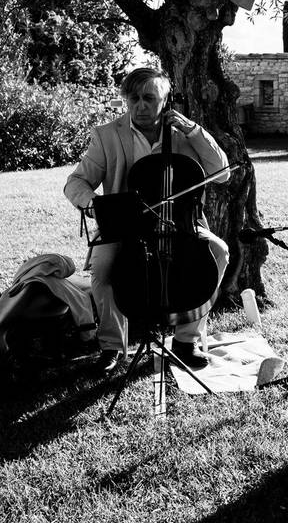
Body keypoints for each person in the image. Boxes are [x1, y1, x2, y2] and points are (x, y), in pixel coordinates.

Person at [64, 67, 230, 374]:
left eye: (149, 98)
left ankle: (186, 340)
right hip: (125, 225)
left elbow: (222, 172)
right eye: (134, 98)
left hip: (179, 224)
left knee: (217, 252)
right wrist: (93, 204)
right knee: (102, 269)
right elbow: (76, 183)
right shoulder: (107, 135)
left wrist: (193, 130)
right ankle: (112, 346)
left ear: (165, 101)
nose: (140, 105)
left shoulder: (184, 134)